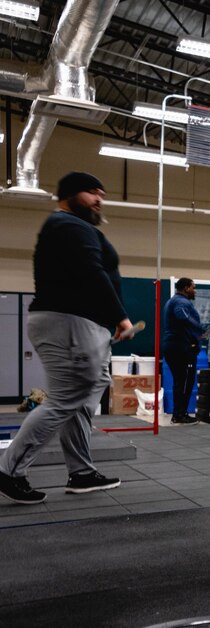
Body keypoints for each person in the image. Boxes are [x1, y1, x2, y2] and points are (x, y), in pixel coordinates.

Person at [0, 171, 133, 504]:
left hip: (77, 323)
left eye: (101, 192)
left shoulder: (71, 227)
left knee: (81, 398)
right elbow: (92, 271)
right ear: (70, 195)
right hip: (71, 322)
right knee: (67, 398)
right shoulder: (72, 225)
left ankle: (82, 472)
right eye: (91, 192)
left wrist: (108, 320)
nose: (99, 198)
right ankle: (9, 470)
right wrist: (119, 316)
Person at [162, 277, 202, 425]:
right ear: (186, 288)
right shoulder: (181, 302)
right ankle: (180, 415)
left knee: (180, 381)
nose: (195, 290)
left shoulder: (174, 301)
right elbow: (182, 316)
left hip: (175, 346)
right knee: (184, 381)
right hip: (180, 347)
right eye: (193, 287)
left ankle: (178, 414)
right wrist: (200, 330)